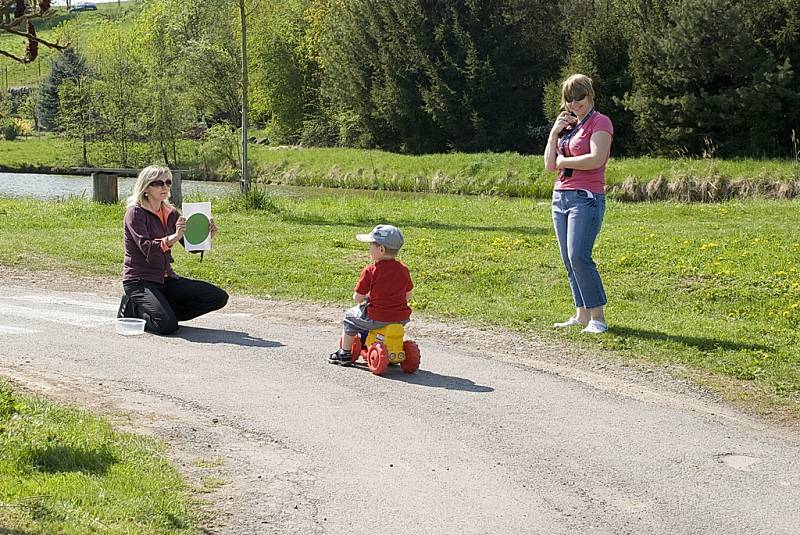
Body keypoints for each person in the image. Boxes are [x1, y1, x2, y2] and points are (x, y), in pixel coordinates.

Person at [118, 165, 228, 335]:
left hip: (166, 279)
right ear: (146, 187)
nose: (165, 187)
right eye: (159, 183)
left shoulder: (171, 212)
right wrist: (174, 237)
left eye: (168, 182)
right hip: (139, 280)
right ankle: (135, 310)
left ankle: (162, 312)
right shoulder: (135, 213)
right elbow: (147, 248)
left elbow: (191, 246)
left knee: (218, 297)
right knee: (167, 327)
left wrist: (207, 235)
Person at [543, 74, 613, 334]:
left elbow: (596, 159)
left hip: (586, 197)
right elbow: (549, 164)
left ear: (590, 95)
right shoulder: (568, 126)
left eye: (579, 97)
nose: (574, 103)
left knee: (579, 256)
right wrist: (553, 134)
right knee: (568, 259)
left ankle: (598, 318)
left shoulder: (600, 122)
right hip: (560, 197)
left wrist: (564, 162)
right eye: (569, 99)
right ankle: (581, 315)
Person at [328, 224, 414, 365]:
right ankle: (387, 345)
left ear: (381, 249)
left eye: (370, 246)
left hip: (377, 317)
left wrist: (364, 297)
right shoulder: (403, 270)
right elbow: (408, 295)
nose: (369, 249)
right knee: (366, 314)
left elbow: (358, 298)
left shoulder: (371, 271)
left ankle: (344, 353)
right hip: (401, 318)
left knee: (350, 317)